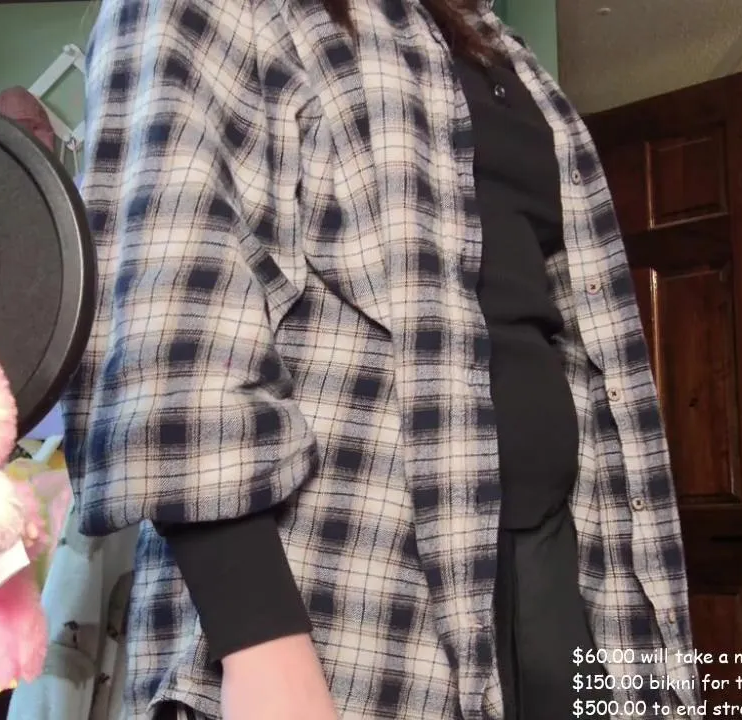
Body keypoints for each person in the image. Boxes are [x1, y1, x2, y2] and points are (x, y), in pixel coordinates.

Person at [63, 0, 701, 716]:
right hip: (347, 588)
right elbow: (170, 322)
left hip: (558, 555)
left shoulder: (498, 46)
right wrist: (260, 638)